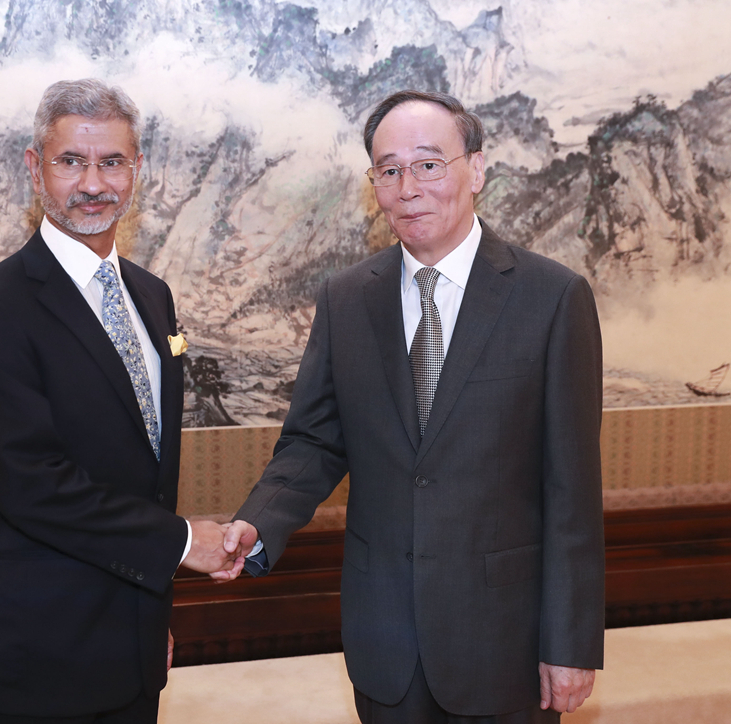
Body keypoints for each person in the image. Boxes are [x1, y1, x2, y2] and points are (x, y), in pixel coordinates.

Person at [222, 90, 605, 723]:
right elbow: (314, 441)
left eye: (428, 164)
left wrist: (569, 642)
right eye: (389, 170)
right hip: (384, 640)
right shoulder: (347, 299)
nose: (408, 188)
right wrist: (259, 523)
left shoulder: (553, 298)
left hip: (504, 643)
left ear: (475, 169)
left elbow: (573, 491)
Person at [0, 79, 244, 723]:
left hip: (133, 639)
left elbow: (142, 470)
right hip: (33, 651)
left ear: (137, 169)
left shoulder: (152, 296)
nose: (92, 183)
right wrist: (182, 542)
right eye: (70, 161)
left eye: (111, 161)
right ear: (35, 169)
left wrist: (148, 617)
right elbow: (32, 485)